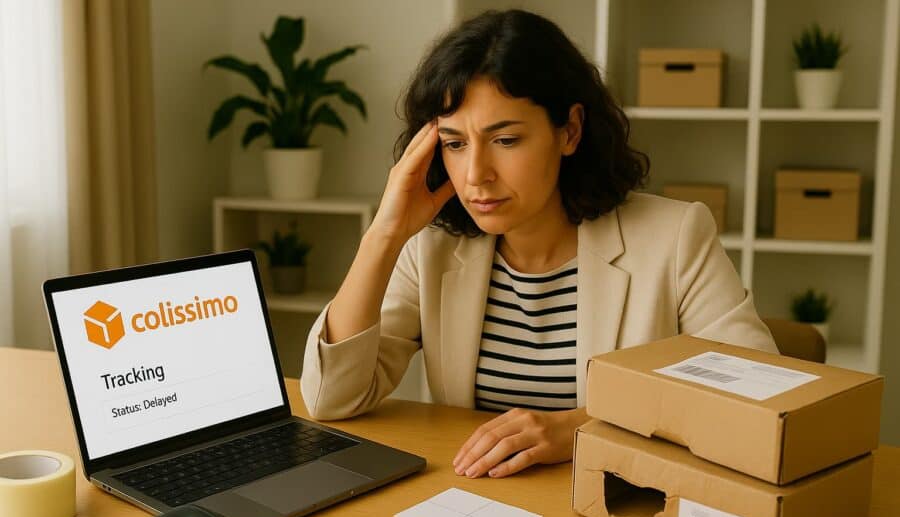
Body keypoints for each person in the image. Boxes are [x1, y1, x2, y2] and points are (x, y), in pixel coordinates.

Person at [300, 9, 777, 480]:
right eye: (454, 143)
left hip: (615, 506)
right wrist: (384, 235)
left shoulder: (674, 237)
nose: (475, 175)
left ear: (569, 130)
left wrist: (581, 429)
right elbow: (332, 399)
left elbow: (762, 398)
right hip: (478, 509)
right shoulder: (430, 248)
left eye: (505, 140)